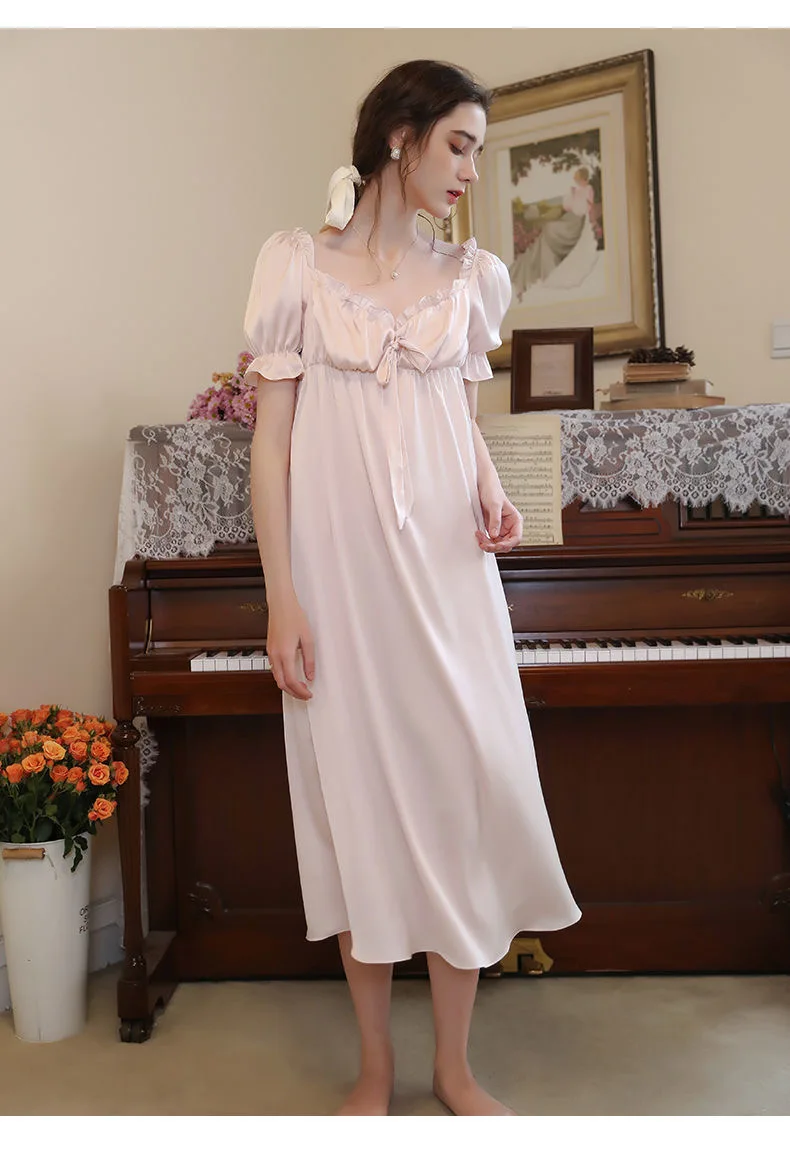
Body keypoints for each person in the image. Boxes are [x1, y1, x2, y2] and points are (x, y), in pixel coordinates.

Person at [243, 59, 581, 1117]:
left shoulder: (473, 277)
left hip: (445, 576)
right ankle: (375, 1071)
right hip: (338, 585)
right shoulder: (297, 268)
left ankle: (454, 1068)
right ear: (401, 135)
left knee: (458, 802)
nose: (471, 171)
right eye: (460, 145)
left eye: (477, 150)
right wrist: (281, 598)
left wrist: (491, 488)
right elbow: (269, 451)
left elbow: (458, 417)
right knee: (357, 814)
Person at [509, 165, 596, 300]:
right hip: (570, 217)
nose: (576, 180)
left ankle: (545, 267)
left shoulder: (587, 190)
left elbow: (584, 208)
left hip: (576, 222)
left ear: (583, 178)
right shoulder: (575, 190)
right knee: (547, 231)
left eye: (578, 178)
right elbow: (567, 206)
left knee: (551, 228)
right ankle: (539, 268)